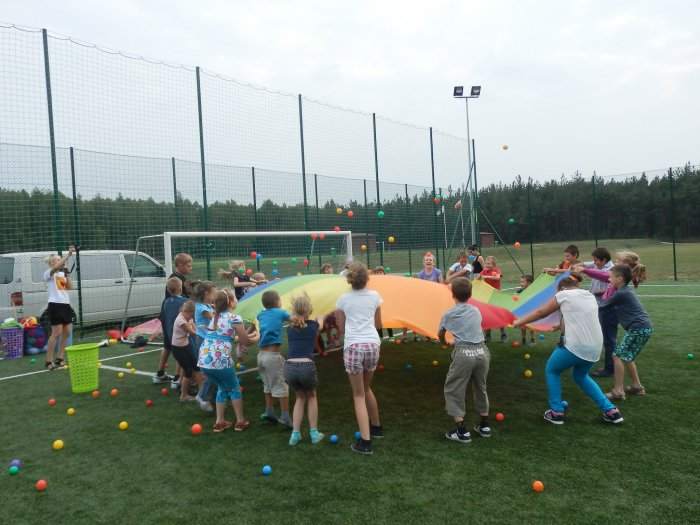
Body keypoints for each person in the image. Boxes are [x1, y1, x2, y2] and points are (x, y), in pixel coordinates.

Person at [513, 274, 624, 425]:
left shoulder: (563, 294)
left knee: (552, 370)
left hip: (576, 346)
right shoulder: (589, 295)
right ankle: (611, 411)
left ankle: (556, 412)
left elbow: (541, 312)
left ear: (561, 288)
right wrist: (559, 326)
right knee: (581, 376)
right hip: (595, 347)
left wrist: (520, 322)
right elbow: (578, 316)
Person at [576, 250, 648, 384]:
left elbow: (605, 278)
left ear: (625, 265)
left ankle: (611, 371)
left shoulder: (620, 283)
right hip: (622, 317)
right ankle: (631, 383)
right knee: (620, 351)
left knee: (613, 345)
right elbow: (608, 284)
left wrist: (582, 300)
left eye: (618, 261)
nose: (614, 263)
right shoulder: (620, 282)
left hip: (615, 315)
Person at [336, 262, 383, 455]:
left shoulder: (342, 300)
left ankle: (365, 441)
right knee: (366, 388)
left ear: (349, 279)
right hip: (373, 345)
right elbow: (378, 324)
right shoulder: (375, 296)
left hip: (354, 346)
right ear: (367, 278)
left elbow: (340, 328)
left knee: (358, 394)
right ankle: (376, 427)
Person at [438, 278, 492, 443]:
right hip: (482, 352)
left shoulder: (449, 314)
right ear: (470, 294)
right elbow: (473, 329)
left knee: (453, 388)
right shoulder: (476, 310)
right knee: (481, 387)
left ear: (453, 294)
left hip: (464, 354)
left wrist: (444, 342)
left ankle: (461, 431)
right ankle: (484, 425)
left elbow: (441, 334)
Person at [198, 289, 257, 432]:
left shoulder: (215, 318)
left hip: (204, 361)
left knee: (222, 387)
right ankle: (240, 421)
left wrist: (247, 335)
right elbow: (245, 341)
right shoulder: (235, 318)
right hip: (220, 361)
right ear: (230, 302)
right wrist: (258, 335)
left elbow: (224, 337)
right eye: (235, 298)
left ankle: (220, 422)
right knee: (234, 388)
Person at [598, 265, 653, 400]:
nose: (609, 280)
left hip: (638, 328)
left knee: (617, 355)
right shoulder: (623, 291)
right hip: (643, 328)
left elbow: (602, 306)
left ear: (620, 279)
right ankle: (637, 386)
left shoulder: (621, 293)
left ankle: (618, 391)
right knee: (627, 357)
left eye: (611, 277)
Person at [284, 294, 324, 446]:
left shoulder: (290, 329)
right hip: (306, 366)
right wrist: (321, 314)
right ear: (309, 311)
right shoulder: (313, 326)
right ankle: (314, 433)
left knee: (300, 398)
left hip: (289, 367)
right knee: (312, 396)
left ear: (294, 310)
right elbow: (321, 324)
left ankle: (295, 434)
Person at [155, 252, 193, 383]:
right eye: (188, 265)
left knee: (168, 345)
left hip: (167, 316)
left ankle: (160, 373)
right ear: (180, 265)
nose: (191, 268)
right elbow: (185, 300)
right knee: (180, 343)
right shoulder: (178, 280)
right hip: (174, 318)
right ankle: (177, 377)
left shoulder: (175, 278)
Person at [256, 290, 292, 426]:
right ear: (277, 301)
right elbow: (293, 318)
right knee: (281, 385)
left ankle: (269, 411)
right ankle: (285, 416)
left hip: (261, 356)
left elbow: (262, 318)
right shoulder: (280, 312)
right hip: (272, 357)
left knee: (267, 384)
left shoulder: (261, 314)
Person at [584, 248, 616, 377]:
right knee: (605, 337)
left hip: (609, 308)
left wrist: (595, 293)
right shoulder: (599, 265)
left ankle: (610, 368)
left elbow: (611, 289)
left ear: (604, 260)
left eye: (596, 260)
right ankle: (609, 365)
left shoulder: (611, 270)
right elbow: (586, 265)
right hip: (601, 306)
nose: (594, 263)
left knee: (609, 339)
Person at [44, 246, 75, 370]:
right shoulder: (48, 273)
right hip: (55, 305)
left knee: (67, 332)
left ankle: (60, 357)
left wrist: (67, 273)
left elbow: (70, 287)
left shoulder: (61, 274)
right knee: (56, 333)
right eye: (57, 260)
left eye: (59, 259)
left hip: (65, 304)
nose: (60, 261)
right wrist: (68, 255)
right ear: (52, 263)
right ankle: (48, 360)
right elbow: (56, 268)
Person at [171, 300, 206, 402]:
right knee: (188, 371)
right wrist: (206, 332)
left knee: (196, 366)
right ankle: (183, 396)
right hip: (178, 349)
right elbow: (192, 333)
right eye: (192, 314)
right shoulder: (181, 320)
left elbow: (195, 327)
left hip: (186, 346)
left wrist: (201, 328)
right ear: (187, 311)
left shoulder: (188, 317)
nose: (192, 317)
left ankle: (202, 392)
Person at [191, 281, 217, 412]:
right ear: (206, 294)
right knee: (211, 371)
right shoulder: (202, 308)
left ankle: (210, 397)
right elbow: (215, 319)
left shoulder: (205, 305)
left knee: (214, 370)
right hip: (203, 341)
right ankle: (202, 397)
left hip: (208, 341)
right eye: (214, 293)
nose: (215, 296)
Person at [158, 277, 188, 389]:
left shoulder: (166, 302)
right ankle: (177, 378)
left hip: (168, 332)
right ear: (180, 288)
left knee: (177, 353)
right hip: (179, 333)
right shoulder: (184, 301)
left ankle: (163, 374)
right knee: (182, 356)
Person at [479, 256, 507, 343]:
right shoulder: (484, 271)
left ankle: (503, 334)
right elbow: (479, 277)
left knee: (499, 315)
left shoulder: (497, 270)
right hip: (486, 296)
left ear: (494, 265)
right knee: (486, 315)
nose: (487, 265)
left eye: (489, 264)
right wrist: (479, 277)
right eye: (486, 263)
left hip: (496, 296)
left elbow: (497, 277)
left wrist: (486, 277)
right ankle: (487, 335)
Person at [516, 274, 536, 346]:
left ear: (529, 283)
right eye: (520, 282)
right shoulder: (520, 291)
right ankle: (523, 339)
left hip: (531, 311)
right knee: (522, 326)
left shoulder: (533, 291)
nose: (521, 284)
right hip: (523, 311)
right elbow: (516, 299)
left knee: (531, 326)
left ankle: (532, 339)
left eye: (523, 282)